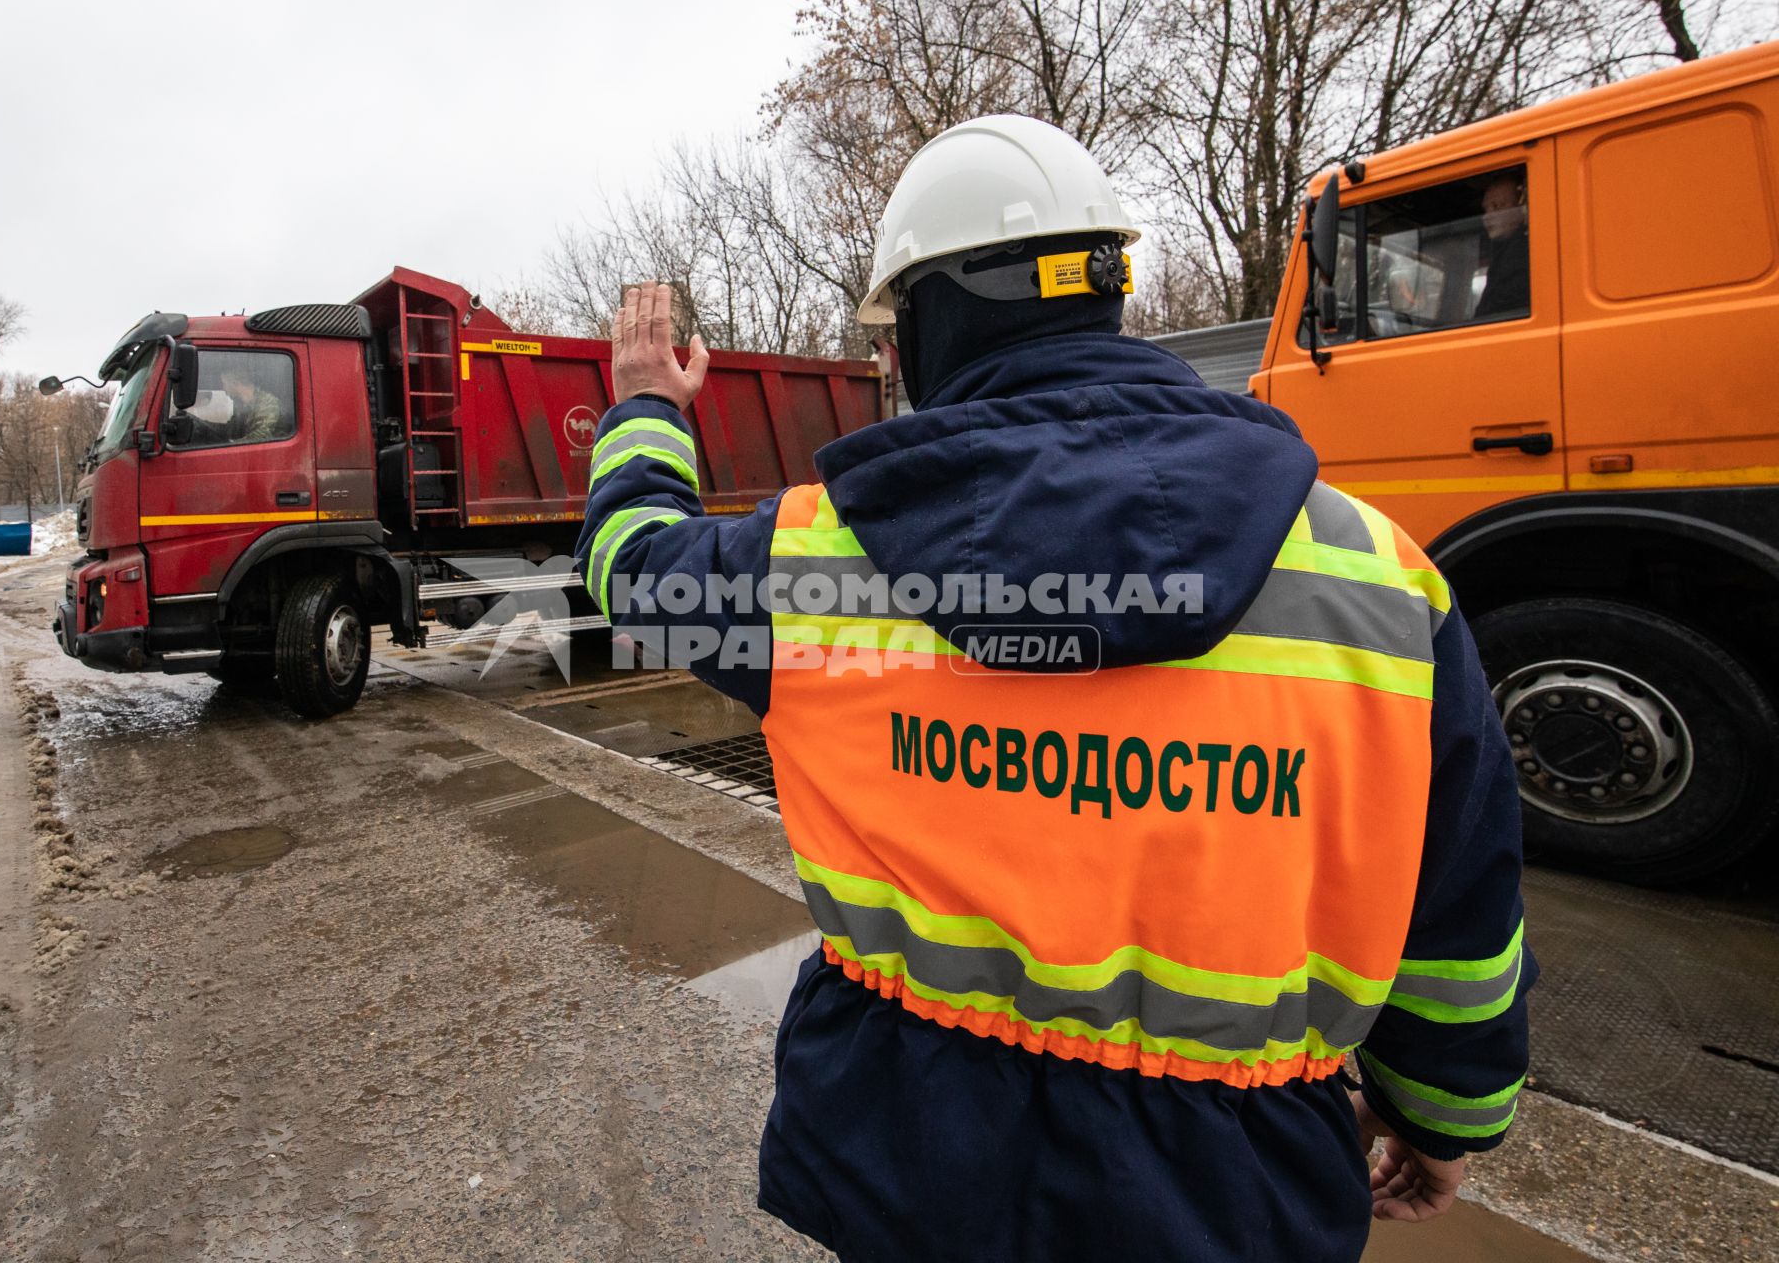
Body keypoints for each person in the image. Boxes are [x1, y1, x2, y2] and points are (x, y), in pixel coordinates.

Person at [577, 115, 1533, 1262]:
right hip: (1236, 1195)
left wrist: (647, 405)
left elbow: (634, 567)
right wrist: (1443, 1113)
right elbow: (1458, 908)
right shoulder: (1378, 578)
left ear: (926, 324)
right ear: (1106, 292)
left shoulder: (811, 563)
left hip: (911, 1160)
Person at [1475, 173, 1531, 319]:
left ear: (1522, 207)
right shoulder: (1503, 252)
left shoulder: (1524, 254)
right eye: (1486, 210)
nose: (1487, 217)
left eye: (1497, 206)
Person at [222, 364, 287, 444]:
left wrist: (231, 445)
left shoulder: (268, 401)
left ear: (235, 383)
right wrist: (205, 425)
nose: (223, 389)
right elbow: (230, 428)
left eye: (224, 384)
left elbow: (262, 435)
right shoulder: (241, 406)